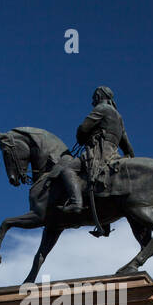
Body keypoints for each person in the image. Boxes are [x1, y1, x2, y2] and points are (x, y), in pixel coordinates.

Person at [61, 86, 135, 235]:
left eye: (94, 97)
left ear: (100, 96)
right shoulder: (119, 117)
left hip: (98, 152)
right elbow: (126, 143)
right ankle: (104, 221)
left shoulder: (102, 108)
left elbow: (84, 128)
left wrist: (81, 135)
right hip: (114, 153)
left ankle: (76, 203)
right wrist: (129, 156)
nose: (92, 101)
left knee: (68, 169)